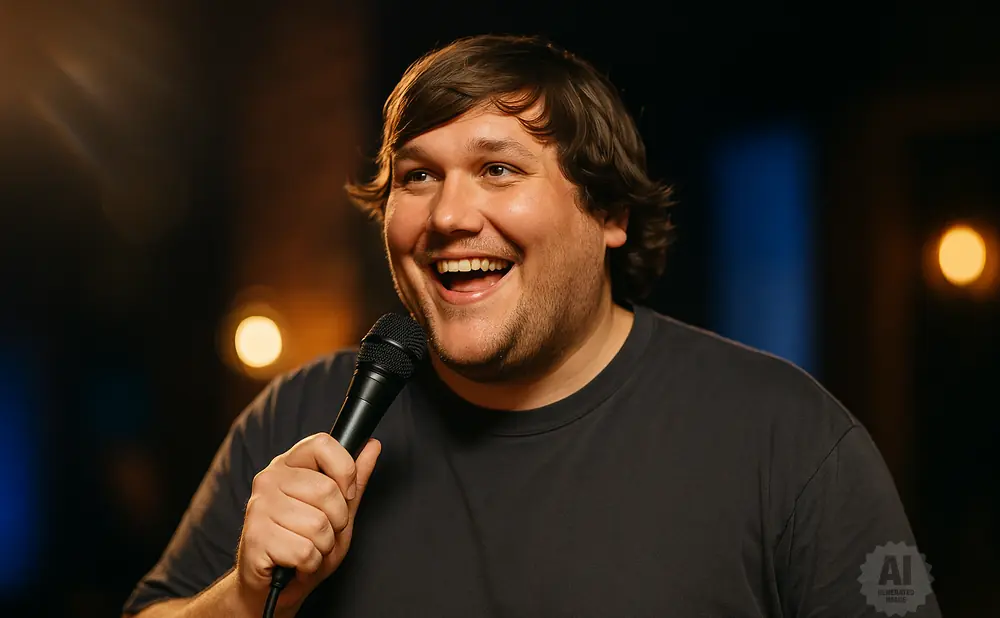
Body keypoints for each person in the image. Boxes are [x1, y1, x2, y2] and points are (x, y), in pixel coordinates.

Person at [123, 34, 940, 617]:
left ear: (609, 210)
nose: (447, 215)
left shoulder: (786, 437)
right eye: (417, 177)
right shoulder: (298, 418)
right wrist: (240, 599)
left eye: (498, 169)